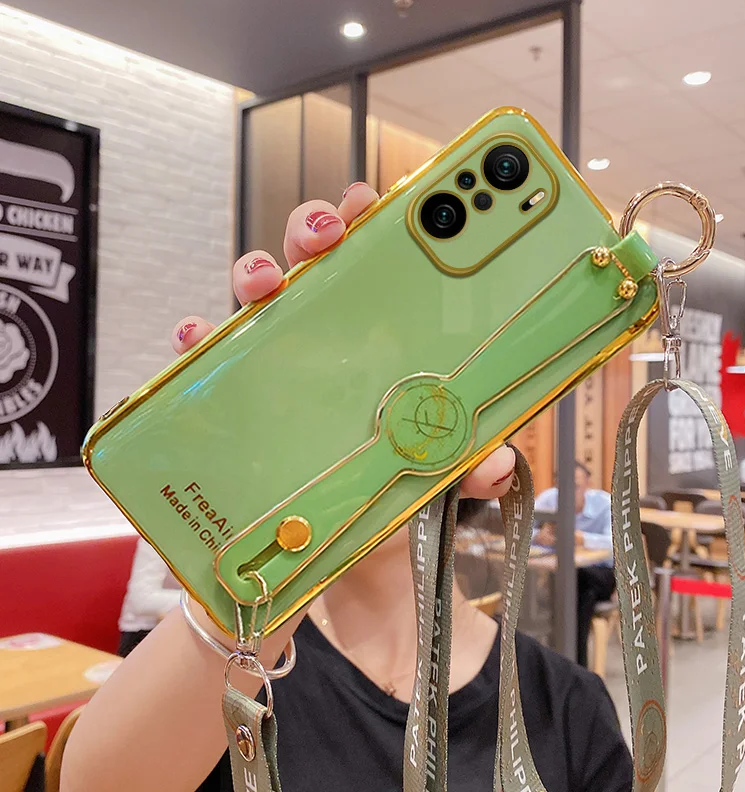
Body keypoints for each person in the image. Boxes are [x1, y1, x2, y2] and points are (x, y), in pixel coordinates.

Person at [61, 184, 632, 792]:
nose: (355, 438)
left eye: (385, 396)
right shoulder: (231, 675)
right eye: (319, 401)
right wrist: (262, 564)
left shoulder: (568, 711)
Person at [533, 462, 613, 669]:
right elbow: (523, 528)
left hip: (602, 572)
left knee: (576, 584)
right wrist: (539, 536)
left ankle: (566, 660)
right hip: (565, 575)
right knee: (576, 590)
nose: (567, 493)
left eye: (575, 486)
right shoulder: (548, 500)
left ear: (588, 485)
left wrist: (581, 538)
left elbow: (616, 543)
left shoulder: (604, 504)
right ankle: (572, 663)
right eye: (562, 486)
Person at [117, 537, 182, 657]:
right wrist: (199, 602)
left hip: (188, 630)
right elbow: (142, 600)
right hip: (144, 632)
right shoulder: (158, 535)